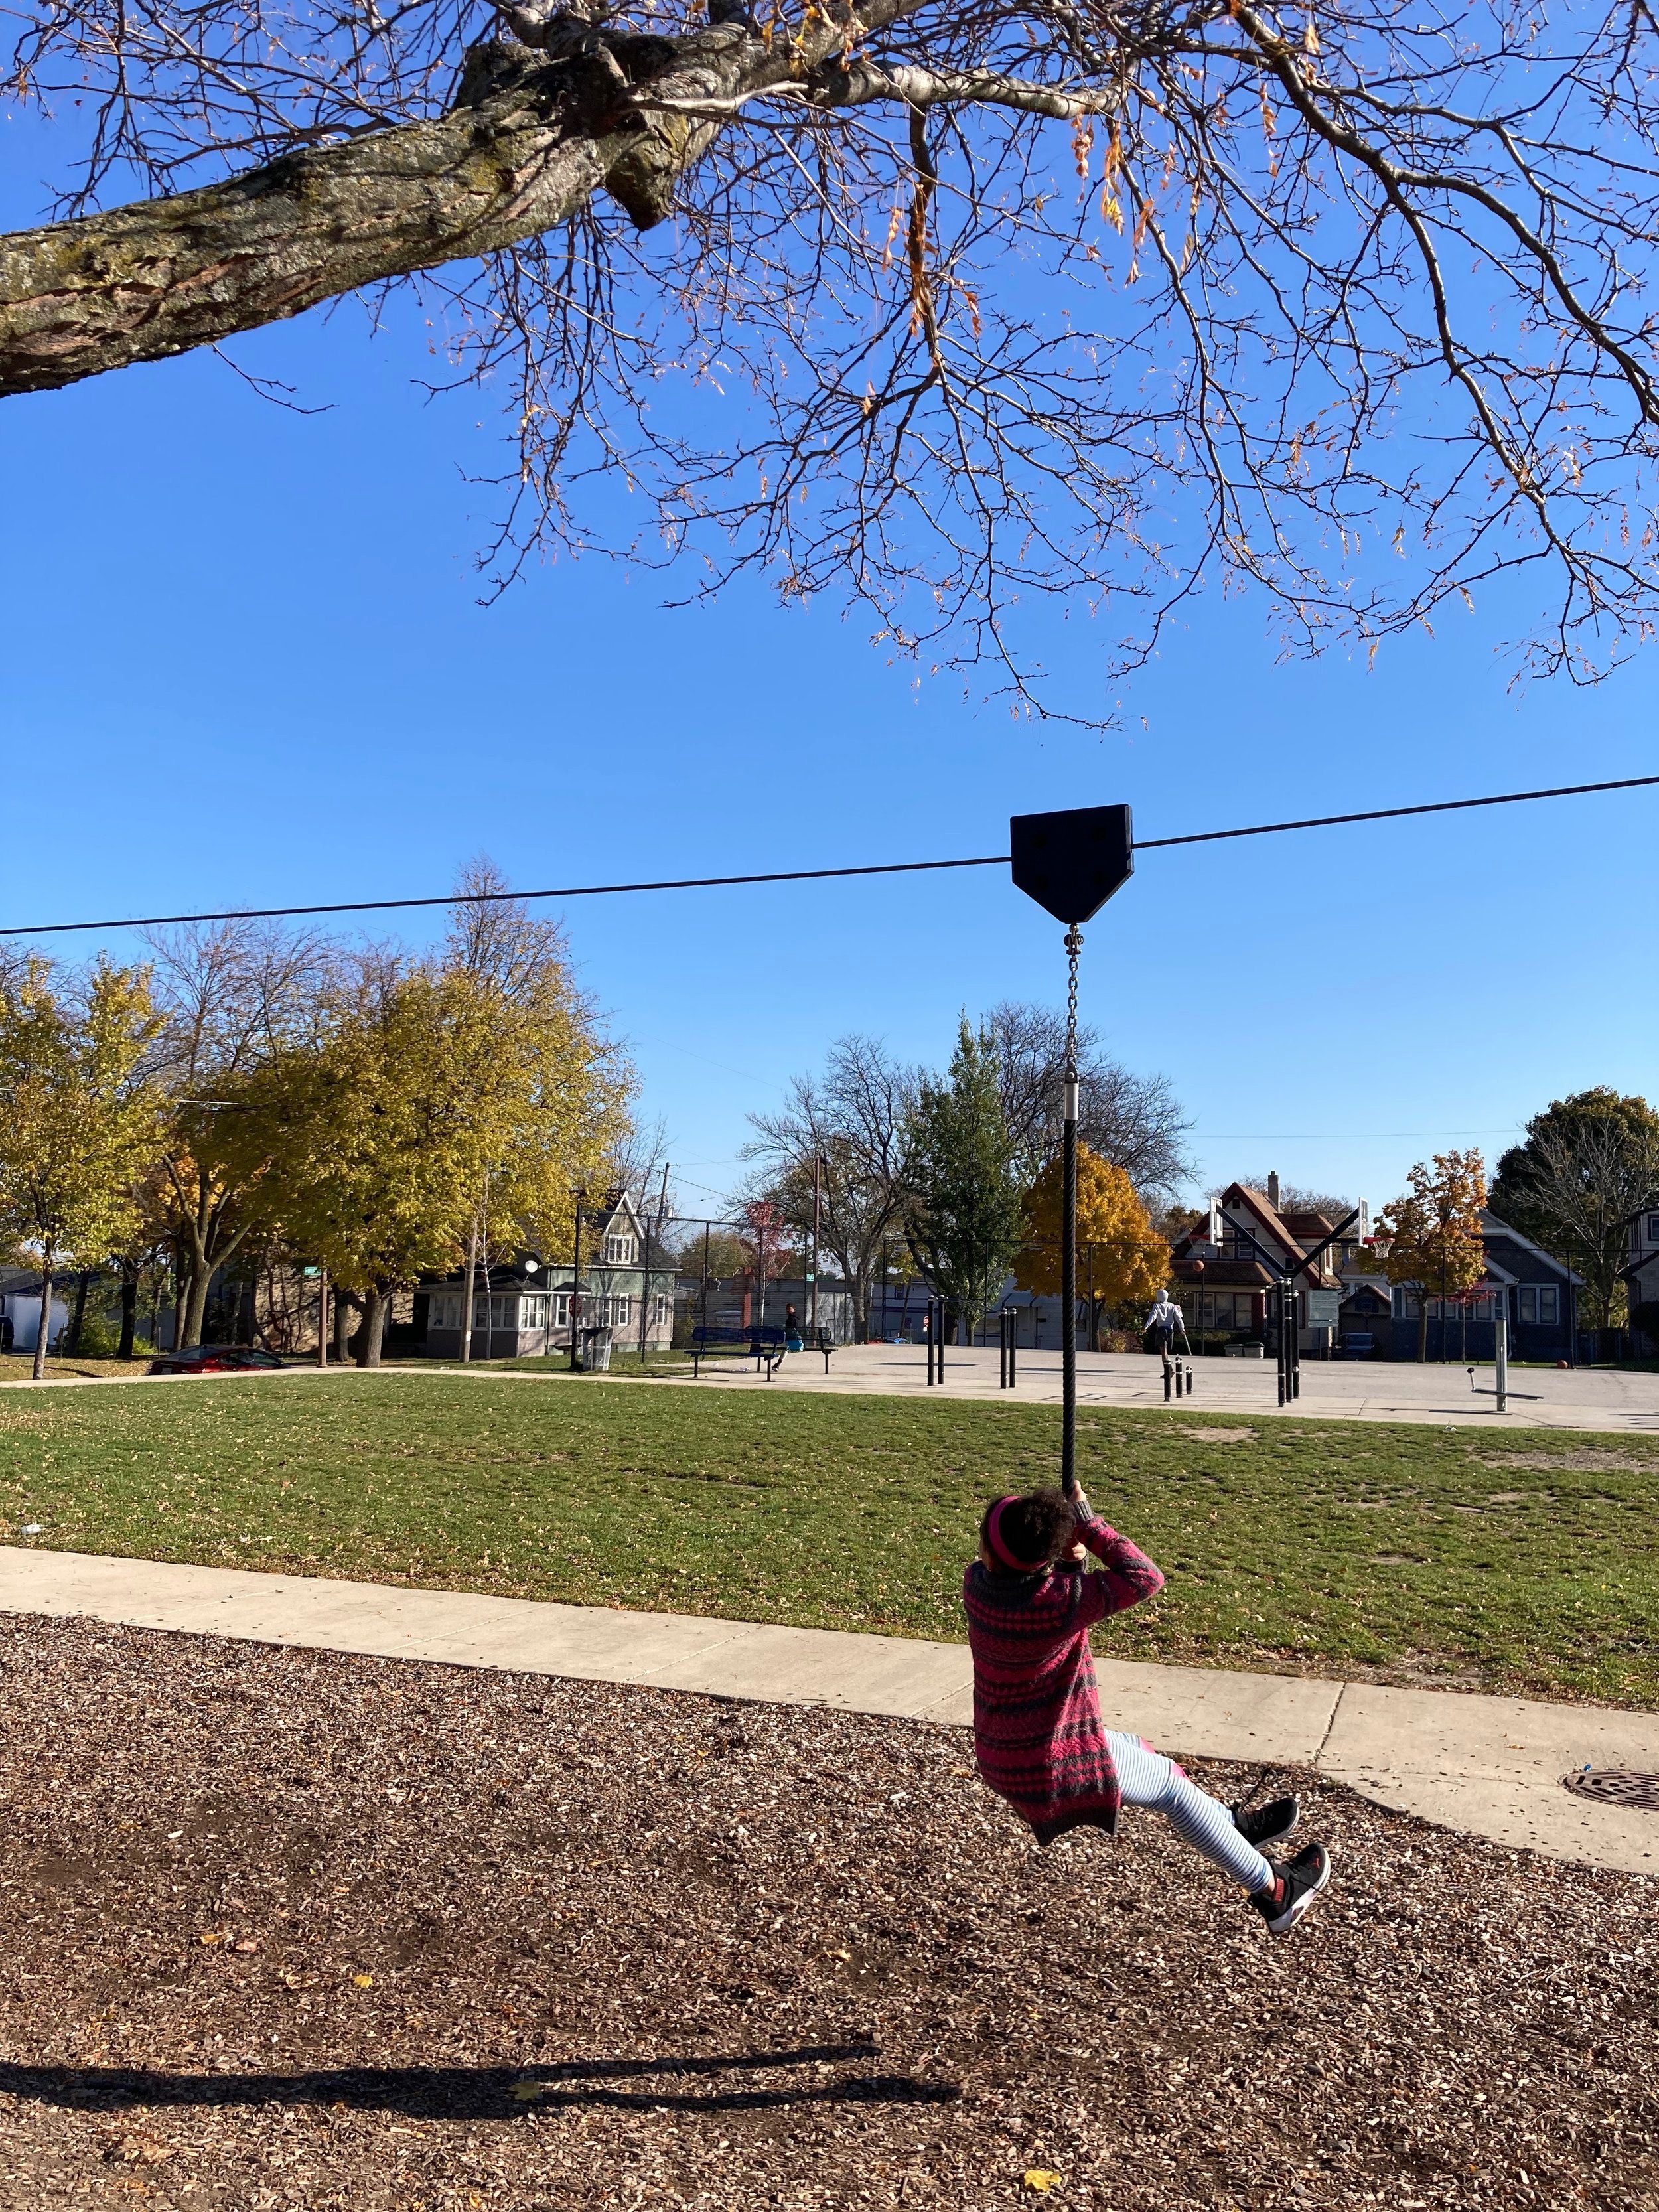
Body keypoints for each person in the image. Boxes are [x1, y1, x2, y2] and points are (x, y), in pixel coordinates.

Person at [962, 1484, 1332, 1934]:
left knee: (1142, 1751)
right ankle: (1275, 1891)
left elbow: (1051, 1600)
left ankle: (1231, 1827)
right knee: (1175, 1796)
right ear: (1045, 1558)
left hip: (1004, 1751)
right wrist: (1088, 1523)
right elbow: (1145, 1576)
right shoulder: (1062, 1599)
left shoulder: (978, 1586)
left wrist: (1071, 1558)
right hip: (1050, 1761)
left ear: (988, 1550)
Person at [1145, 1288, 1185, 1356]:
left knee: (1163, 1351)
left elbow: (1153, 1317)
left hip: (1161, 1329)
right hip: (1170, 1329)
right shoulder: (1172, 1306)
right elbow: (1178, 1318)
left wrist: (1146, 1327)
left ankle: (1166, 1363)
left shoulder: (1157, 1306)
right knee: (1167, 1350)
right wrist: (1182, 1328)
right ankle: (1167, 1362)